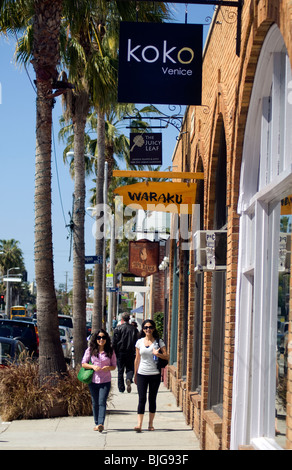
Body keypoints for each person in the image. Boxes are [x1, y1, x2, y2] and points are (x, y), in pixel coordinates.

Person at [134, 319, 169, 432]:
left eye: (150, 327)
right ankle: (139, 424)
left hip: (154, 374)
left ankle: (150, 424)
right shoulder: (139, 342)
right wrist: (135, 374)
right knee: (142, 398)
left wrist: (157, 354)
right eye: (145, 327)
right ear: (143, 329)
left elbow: (167, 356)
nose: (148, 329)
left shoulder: (159, 342)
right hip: (142, 374)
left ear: (153, 329)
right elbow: (137, 359)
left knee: (152, 399)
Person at [81, 329, 116, 432]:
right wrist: (93, 367)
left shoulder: (110, 351)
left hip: (105, 380)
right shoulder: (90, 350)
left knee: (102, 401)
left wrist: (108, 368)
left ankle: (101, 423)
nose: (101, 339)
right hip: (93, 380)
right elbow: (83, 363)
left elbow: (114, 366)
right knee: (95, 402)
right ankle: (96, 423)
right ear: (96, 339)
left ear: (106, 339)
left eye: (103, 337)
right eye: (99, 337)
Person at [113, 312, 138, 393]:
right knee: (130, 368)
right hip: (131, 352)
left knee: (120, 370)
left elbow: (114, 342)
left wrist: (114, 352)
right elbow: (137, 341)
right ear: (129, 319)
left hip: (120, 352)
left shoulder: (118, 329)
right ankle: (128, 378)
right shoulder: (134, 329)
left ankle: (121, 388)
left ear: (122, 319)